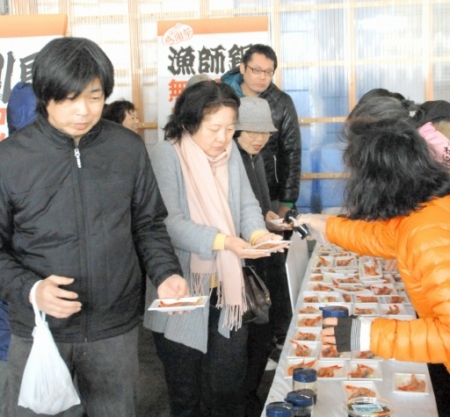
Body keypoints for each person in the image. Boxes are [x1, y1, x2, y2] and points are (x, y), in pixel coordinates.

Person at [0, 37, 188, 417]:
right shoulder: (10, 160)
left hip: (113, 331)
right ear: (45, 96)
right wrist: (32, 289)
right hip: (40, 331)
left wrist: (166, 273)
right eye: (69, 98)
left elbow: (148, 224)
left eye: (95, 97)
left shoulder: (127, 149)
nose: (83, 110)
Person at [143, 81, 284, 417]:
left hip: (226, 290)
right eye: (214, 129)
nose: (223, 138)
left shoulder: (230, 153)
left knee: (226, 386)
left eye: (230, 128)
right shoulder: (166, 154)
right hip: (182, 287)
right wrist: (224, 241)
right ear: (189, 122)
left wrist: (258, 235)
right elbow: (169, 223)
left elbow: (247, 205)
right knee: (186, 391)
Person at [292, 118, 450, 402]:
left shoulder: (428, 234)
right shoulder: (427, 211)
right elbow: (381, 237)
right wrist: (326, 225)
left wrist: (365, 334)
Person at [222, 44, 299, 347]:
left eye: (268, 72)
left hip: (269, 198)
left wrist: (285, 203)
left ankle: (273, 336)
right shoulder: (223, 100)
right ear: (242, 68)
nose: (262, 77)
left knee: (273, 273)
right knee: (253, 285)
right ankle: (260, 338)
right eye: (256, 70)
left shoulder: (281, 103)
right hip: (236, 236)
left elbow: (292, 152)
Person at [232, 96, 283, 416]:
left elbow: (257, 207)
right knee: (250, 335)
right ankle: (243, 399)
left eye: (264, 132)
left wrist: (270, 218)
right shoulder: (230, 159)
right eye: (251, 131)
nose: (258, 138)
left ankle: (249, 395)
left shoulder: (257, 157)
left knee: (263, 332)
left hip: (262, 256)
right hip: (241, 261)